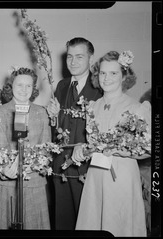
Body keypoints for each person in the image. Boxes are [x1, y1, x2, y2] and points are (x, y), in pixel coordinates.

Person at [73, 50, 150, 236]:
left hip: (122, 178)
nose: (106, 78)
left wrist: (122, 151)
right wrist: (82, 149)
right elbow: (93, 143)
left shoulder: (136, 108)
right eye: (103, 73)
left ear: (124, 77)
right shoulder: (93, 106)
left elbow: (149, 148)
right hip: (96, 177)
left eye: (113, 73)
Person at [47, 37, 103, 230]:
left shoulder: (100, 89)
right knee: (62, 220)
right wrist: (53, 118)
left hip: (86, 167)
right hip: (60, 165)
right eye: (69, 57)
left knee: (87, 221)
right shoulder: (62, 86)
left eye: (79, 57)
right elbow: (57, 128)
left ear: (91, 59)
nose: (73, 62)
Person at [0, 67, 52, 229]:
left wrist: (30, 166)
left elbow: (46, 148)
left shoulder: (41, 112)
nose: (24, 90)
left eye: (28, 86)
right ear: (11, 87)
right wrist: (5, 169)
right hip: (8, 182)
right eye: (19, 85)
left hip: (34, 182)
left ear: (33, 89)